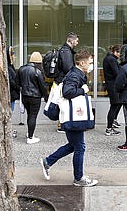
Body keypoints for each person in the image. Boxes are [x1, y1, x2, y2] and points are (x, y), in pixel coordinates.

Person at [40, 49, 98, 187]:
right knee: (80, 147)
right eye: (90, 62)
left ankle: (48, 161)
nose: (91, 65)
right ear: (82, 62)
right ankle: (79, 178)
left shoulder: (75, 73)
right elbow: (68, 92)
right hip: (74, 117)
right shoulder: (74, 75)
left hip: (72, 117)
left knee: (74, 146)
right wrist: (83, 90)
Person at [17, 52, 48, 144]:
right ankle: (30, 137)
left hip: (25, 96)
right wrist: (45, 96)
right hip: (35, 97)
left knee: (29, 115)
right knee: (33, 116)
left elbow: (17, 82)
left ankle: (29, 133)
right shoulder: (37, 71)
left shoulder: (21, 69)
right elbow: (42, 86)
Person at [54, 32, 79, 132]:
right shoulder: (66, 51)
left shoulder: (66, 50)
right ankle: (62, 125)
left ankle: (62, 124)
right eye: (76, 41)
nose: (77, 43)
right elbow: (68, 68)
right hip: (63, 81)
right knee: (64, 103)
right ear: (71, 41)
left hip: (62, 80)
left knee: (63, 103)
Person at [103, 44, 122, 136]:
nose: (120, 55)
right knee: (114, 105)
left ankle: (112, 123)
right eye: (119, 53)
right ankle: (109, 128)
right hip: (113, 85)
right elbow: (117, 73)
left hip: (111, 85)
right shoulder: (112, 59)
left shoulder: (109, 58)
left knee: (117, 104)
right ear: (115, 52)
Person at [7, 46, 20, 139]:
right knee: (8, 113)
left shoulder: (10, 66)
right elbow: (10, 81)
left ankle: (8, 130)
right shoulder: (7, 67)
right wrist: (18, 87)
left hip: (11, 94)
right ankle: (7, 131)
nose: (14, 57)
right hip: (9, 94)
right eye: (13, 55)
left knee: (10, 112)